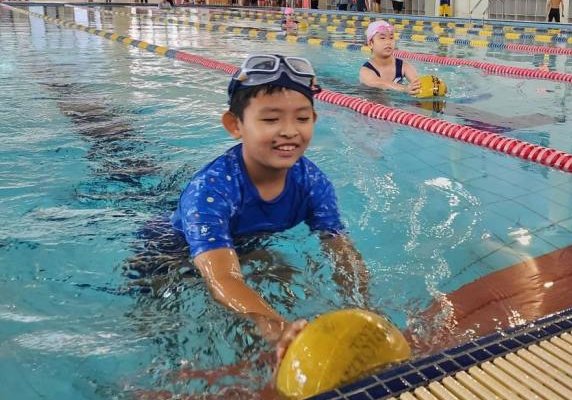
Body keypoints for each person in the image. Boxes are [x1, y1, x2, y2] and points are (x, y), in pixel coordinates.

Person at [172, 54, 370, 361]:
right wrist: (277, 330)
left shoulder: (312, 183)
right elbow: (222, 277)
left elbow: (340, 248)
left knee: (286, 279)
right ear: (234, 124)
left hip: (249, 245)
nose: (290, 131)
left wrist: (363, 308)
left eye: (302, 118)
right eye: (270, 119)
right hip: (174, 254)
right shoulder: (209, 191)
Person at [359, 21, 421, 93]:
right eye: (382, 38)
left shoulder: (404, 66)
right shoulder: (366, 71)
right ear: (370, 44)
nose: (388, 42)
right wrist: (405, 88)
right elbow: (381, 83)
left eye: (391, 38)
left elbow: (417, 83)